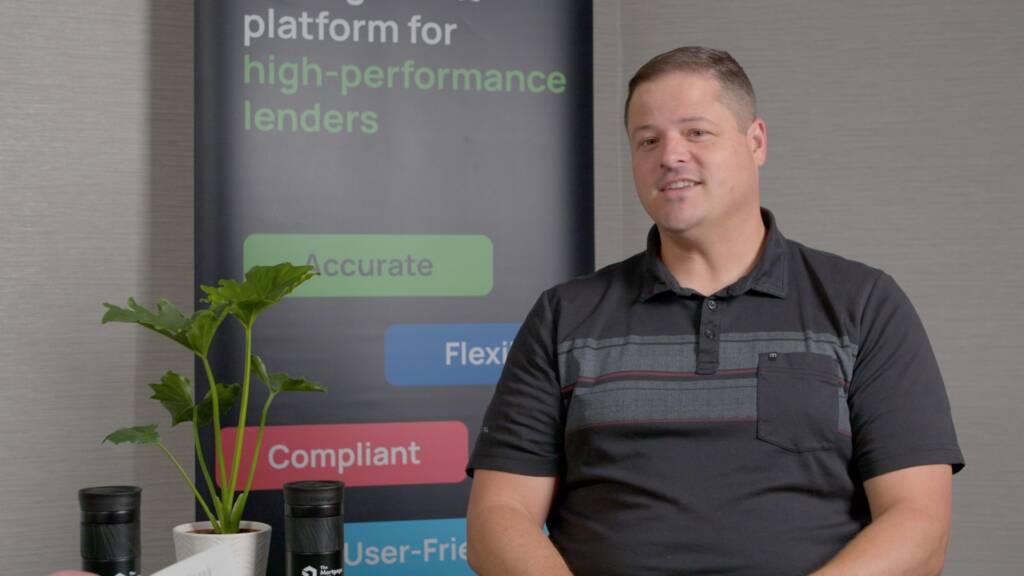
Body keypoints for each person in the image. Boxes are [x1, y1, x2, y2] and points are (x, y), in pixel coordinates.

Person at [465, 46, 964, 575]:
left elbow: (918, 521)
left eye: (696, 132)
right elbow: (500, 514)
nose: (670, 155)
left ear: (756, 142)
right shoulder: (564, 316)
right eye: (648, 140)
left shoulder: (864, 304)